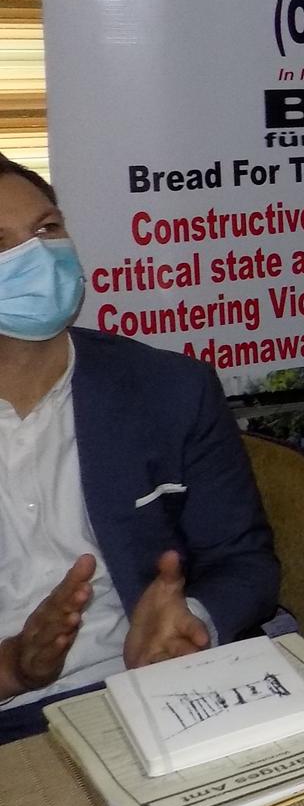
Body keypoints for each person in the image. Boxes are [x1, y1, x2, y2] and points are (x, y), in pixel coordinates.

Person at [0, 159, 279, 741]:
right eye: (1, 245)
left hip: (156, 695)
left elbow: (243, 563)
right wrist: (13, 666)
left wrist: (189, 626)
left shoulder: (169, 389)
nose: (38, 257)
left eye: (47, 229)